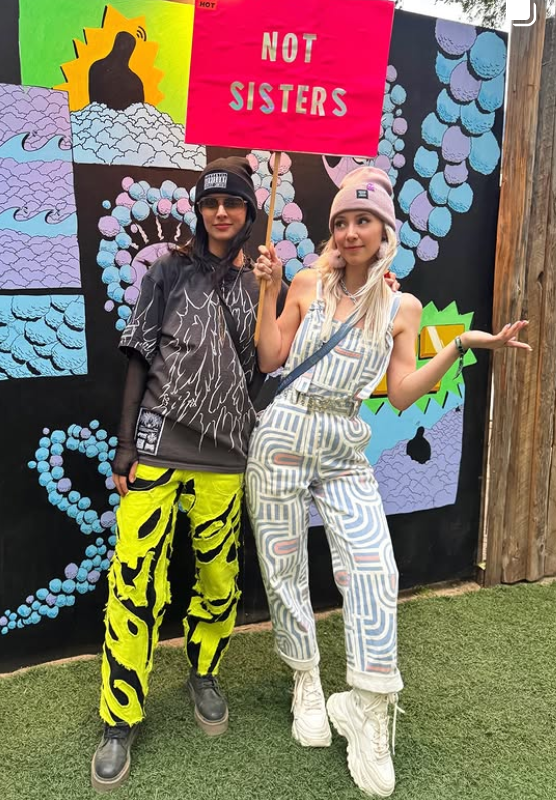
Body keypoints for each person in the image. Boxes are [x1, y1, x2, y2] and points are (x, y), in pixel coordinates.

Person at [246, 166, 530, 798]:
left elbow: (400, 394)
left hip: (344, 442)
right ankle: (306, 680)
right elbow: (270, 358)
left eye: (364, 221)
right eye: (343, 222)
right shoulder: (306, 282)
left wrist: (460, 346)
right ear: (333, 230)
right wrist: (268, 292)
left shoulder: (402, 306)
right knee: (283, 568)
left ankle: (367, 706)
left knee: (375, 568)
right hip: (283, 434)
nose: (351, 232)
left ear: (384, 231)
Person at [91, 156, 287, 792]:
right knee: (133, 580)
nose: (221, 212)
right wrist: (125, 445)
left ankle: (204, 672)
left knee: (219, 578)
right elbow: (138, 357)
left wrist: (272, 288)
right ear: (199, 209)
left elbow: (270, 361)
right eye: (211, 202)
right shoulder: (168, 270)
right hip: (156, 445)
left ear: (250, 210)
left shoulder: (264, 279)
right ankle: (119, 716)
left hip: (225, 457)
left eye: (233, 202)